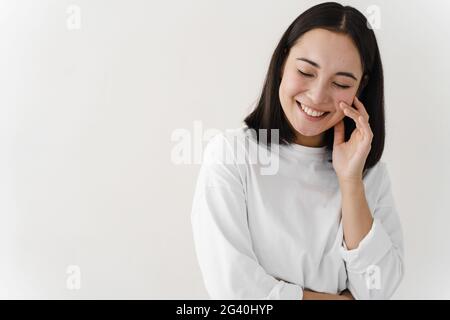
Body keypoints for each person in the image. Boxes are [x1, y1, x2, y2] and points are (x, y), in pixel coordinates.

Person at [191, 2, 404, 300]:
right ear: (282, 64)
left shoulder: (370, 174)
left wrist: (350, 182)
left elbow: (379, 289)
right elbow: (235, 293)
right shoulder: (231, 155)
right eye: (306, 71)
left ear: (360, 88)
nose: (317, 96)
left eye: (341, 83)